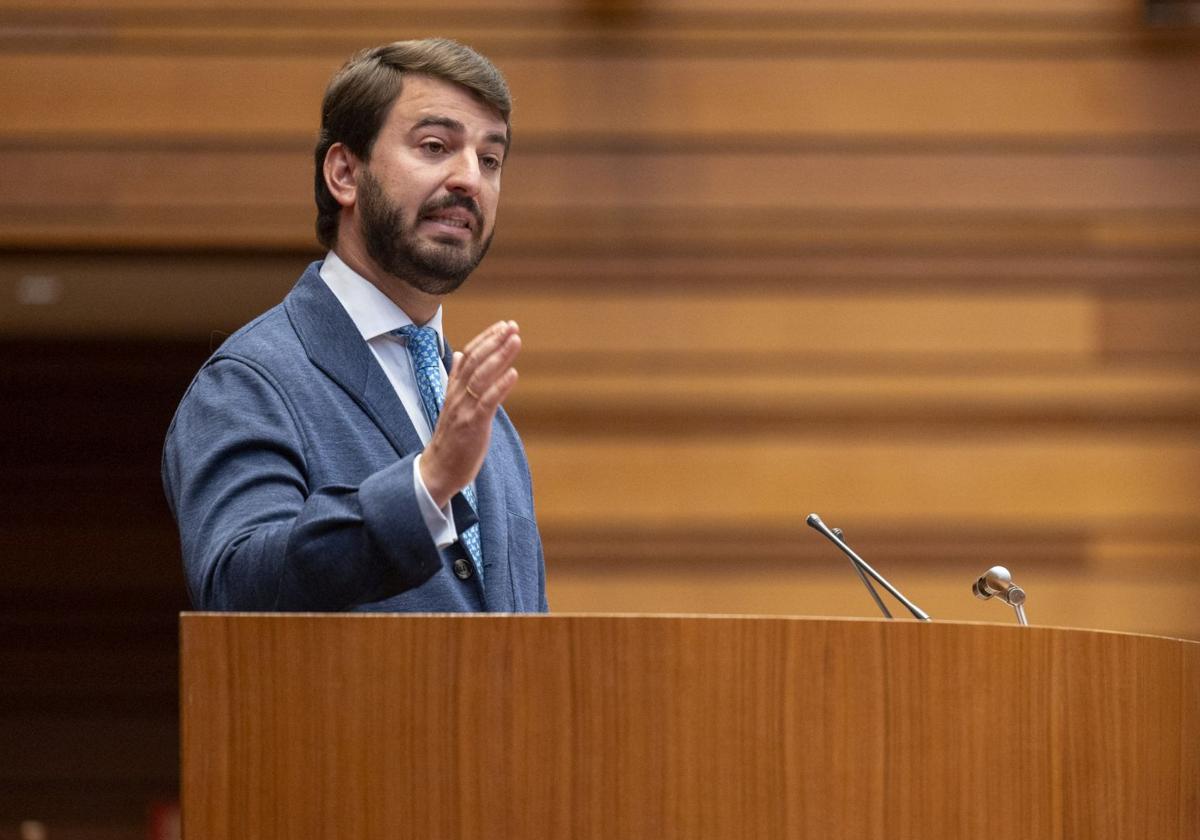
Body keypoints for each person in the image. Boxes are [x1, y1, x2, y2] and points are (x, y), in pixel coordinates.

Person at [162, 39, 546, 612]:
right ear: (344, 173)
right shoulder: (250, 383)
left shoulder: (481, 414)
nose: (470, 178)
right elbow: (237, 589)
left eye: (490, 159)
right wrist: (427, 482)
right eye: (436, 146)